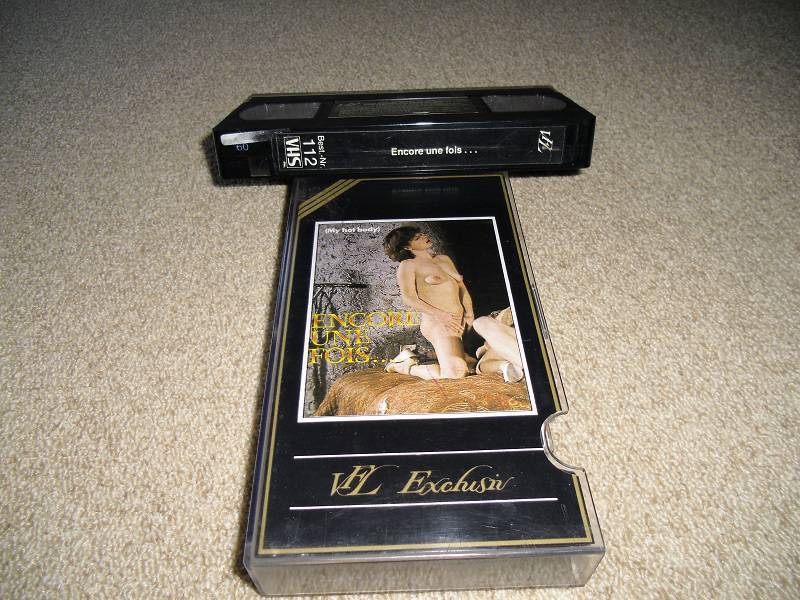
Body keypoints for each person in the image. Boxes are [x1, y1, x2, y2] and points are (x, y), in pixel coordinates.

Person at [383, 226, 474, 379]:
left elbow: (461, 287)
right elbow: (409, 298)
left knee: (471, 367)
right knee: (456, 375)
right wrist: (441, 315)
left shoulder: (443, 259)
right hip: (438, 323)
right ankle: (403, 365)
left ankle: (429, 355)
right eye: (417, 238)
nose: (424, 236)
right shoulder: (408, 265)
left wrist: (469, 312)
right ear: (407, 247)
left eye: (422, 234)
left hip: (458, 323)